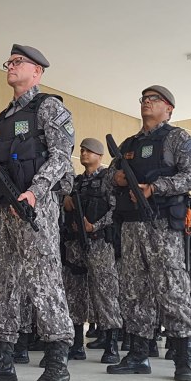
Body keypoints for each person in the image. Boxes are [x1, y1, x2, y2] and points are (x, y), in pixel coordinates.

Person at [0, 44, 75, 381]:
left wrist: (36, 191)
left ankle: (57, 360)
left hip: (32, 207)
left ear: (37, 71)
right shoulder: (3, 118)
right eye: (8, 62)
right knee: (0, 283)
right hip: (0, 211)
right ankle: (1, 359)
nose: (10, 66)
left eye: (18, 62)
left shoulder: (49, 108)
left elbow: (61, 158)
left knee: (44, 281)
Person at [106, 85, 191, 381]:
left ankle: (184, 358)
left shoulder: (179, 139)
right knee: (134, 290)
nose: (147, 103)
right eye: (144, 100)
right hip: (133, 227)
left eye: (154, 100)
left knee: (172, 289)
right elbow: (110, 175)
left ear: (169, 108)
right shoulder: (129, 143)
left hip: (162, 225)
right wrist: (118, 177)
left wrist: (154, 187)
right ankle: (137, 354)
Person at [62, 138, 122, 364]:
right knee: (74, 294)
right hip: (75, 244)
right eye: (82, 150)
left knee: (105, 293)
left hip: (99, 243)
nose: (84, 153)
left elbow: (115, 210)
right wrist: (66, 204)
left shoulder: (108, 180)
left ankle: (111, 345)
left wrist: (93, 226)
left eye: (89, 151)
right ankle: (77, 344)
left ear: (100, 156)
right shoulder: (77, 183)